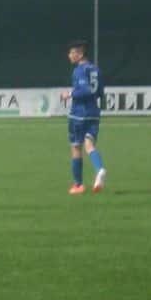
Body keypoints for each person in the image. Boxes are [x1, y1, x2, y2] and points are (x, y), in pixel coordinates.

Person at [64, 40, 107, 195]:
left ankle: (78, 185)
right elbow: (100, 92)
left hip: (79, 114)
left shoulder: (79, 70)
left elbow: (85, 90)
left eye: (72, 53)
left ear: (80, 54)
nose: (69, 55)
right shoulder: (96, 69)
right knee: (89, 145)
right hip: (93, 113)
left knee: (76, 147)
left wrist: (69, 94)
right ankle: (100, 169)